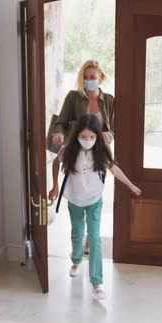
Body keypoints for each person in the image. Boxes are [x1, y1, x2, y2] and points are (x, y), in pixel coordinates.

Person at [48, 114, 141, 300]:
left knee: (95, 238)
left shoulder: (102, 152)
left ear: (97, 136)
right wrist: (55, 186)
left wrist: (130, 185)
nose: (88, 141)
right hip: (74, 199)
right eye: (83, 136)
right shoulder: (68, 150)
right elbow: (57, 162)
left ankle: (97, 283)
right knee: (76, 233)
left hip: (94, 200)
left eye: (92, 137)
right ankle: (75, 261)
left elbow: (114, 169)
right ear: (76, 135)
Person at [51, 60, 115, 255]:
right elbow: (61, 122)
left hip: (98, 155)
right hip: (75, 153)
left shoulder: (109, 101)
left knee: (95, 194)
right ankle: (79, 239)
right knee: (79, 193)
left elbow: (113, 130)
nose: (88, 81)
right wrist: (58, 133)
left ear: (101, 78)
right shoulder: (73, 97)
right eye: (85, 78)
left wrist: (106, 137)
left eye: (92, 78)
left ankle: (91, 235)